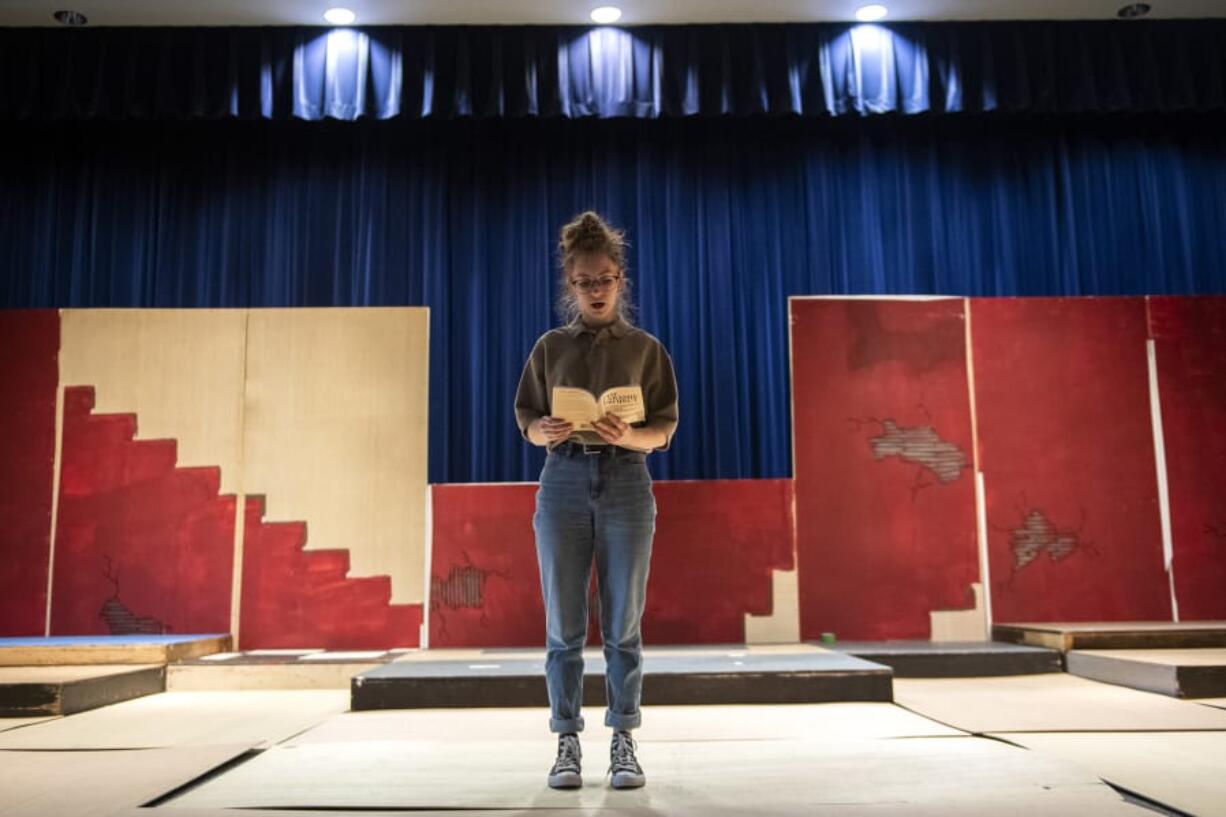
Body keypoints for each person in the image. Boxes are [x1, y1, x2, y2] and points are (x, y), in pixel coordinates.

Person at [514, 210, 679, 790]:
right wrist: (544, 432)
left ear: (621, 278)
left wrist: (628, 435)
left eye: (605, 278)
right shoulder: (551, 346)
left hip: (627, 481)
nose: (597, 290)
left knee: (623, 625)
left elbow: (663, 427)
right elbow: (526, 416)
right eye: (585, 282)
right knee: (563, 624)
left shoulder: (645, 349)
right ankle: (565, 740)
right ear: (570, 285)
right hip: (562, 481)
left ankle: (623, 738)